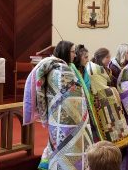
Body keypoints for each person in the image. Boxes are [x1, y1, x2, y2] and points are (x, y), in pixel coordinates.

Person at [23, 40, 93, 170]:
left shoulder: (62, 67)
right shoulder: (60, 70)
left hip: (63, 118)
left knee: (61, 146)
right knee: (64, 147)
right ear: (65, 52)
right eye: (72, 52)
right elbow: (69, 96)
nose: (75, 55)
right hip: (64, 120)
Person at [86, 47, 128, 147]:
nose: (109, 59)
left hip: (108, 103)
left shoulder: (105, 69)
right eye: (107, 57)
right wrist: (114, 90)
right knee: (108, 132)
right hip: (100, 104)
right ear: (100, 58)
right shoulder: (94, 71)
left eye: (109, 57)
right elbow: (101, 90)